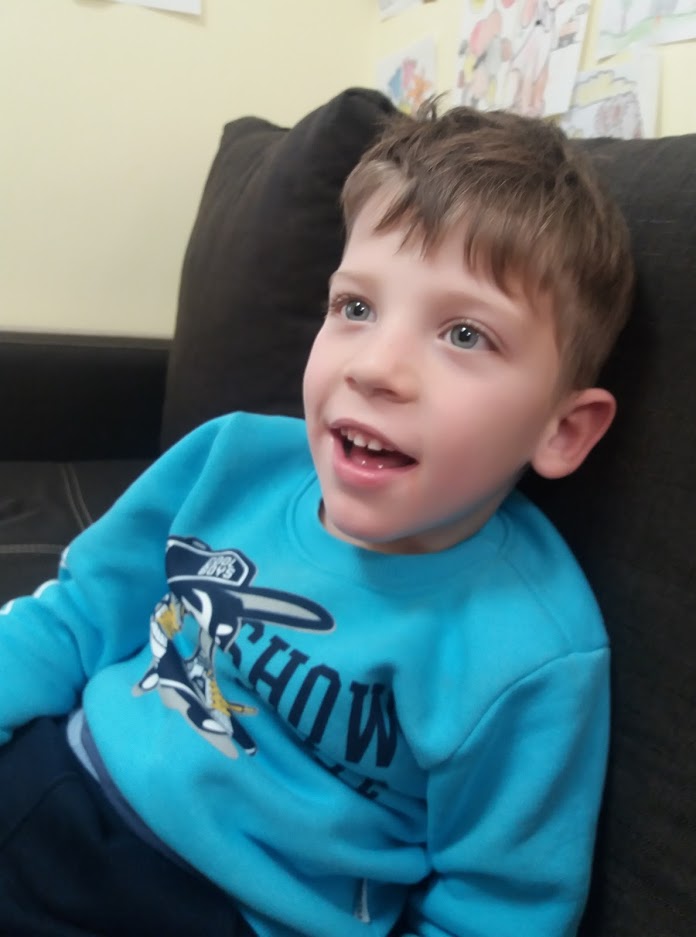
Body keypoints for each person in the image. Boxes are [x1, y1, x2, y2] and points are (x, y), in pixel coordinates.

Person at [0, 102, 634, 937]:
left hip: (222, 912)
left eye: (463, 333)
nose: (375, 367)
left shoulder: (533, 653)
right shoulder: (228, 459)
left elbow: (497, 906)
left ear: (561, 429)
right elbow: (77, 616)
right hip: (61, 769)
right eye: (356, 307)